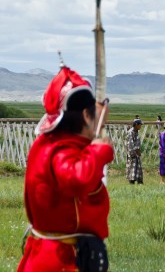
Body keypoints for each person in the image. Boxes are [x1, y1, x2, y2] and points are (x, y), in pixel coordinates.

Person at [17, 66, 113, 271]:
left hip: (46, 253)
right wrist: (99, 152)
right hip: (61, 259)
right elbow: (76, 180)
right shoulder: (63, 150)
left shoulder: (46, 143)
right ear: (86, 116)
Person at [125, 118, 143, 184]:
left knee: (137, 168)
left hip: (137, 153)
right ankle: (132, 182)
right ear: (136, 125)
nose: (140, 126)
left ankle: (139, 181)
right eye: (140, 125)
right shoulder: (131, 132)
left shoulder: (136, 131)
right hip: (133, 153)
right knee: (132, 168)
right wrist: (133, 153)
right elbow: (130, 144)